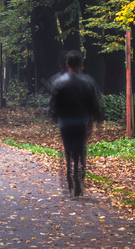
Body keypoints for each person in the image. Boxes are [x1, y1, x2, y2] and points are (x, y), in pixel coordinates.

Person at [48, 50, 103, 197]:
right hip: (81, 122)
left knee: (68, 150)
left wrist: (54, 118)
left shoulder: (59, 82)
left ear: (66, 64)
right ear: (81, 64)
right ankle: (79, 176)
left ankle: (68, 175)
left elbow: (53, 104)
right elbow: (94, 103)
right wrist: (95, 120)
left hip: (66, 122)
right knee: (80, 150)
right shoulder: (88, 82)